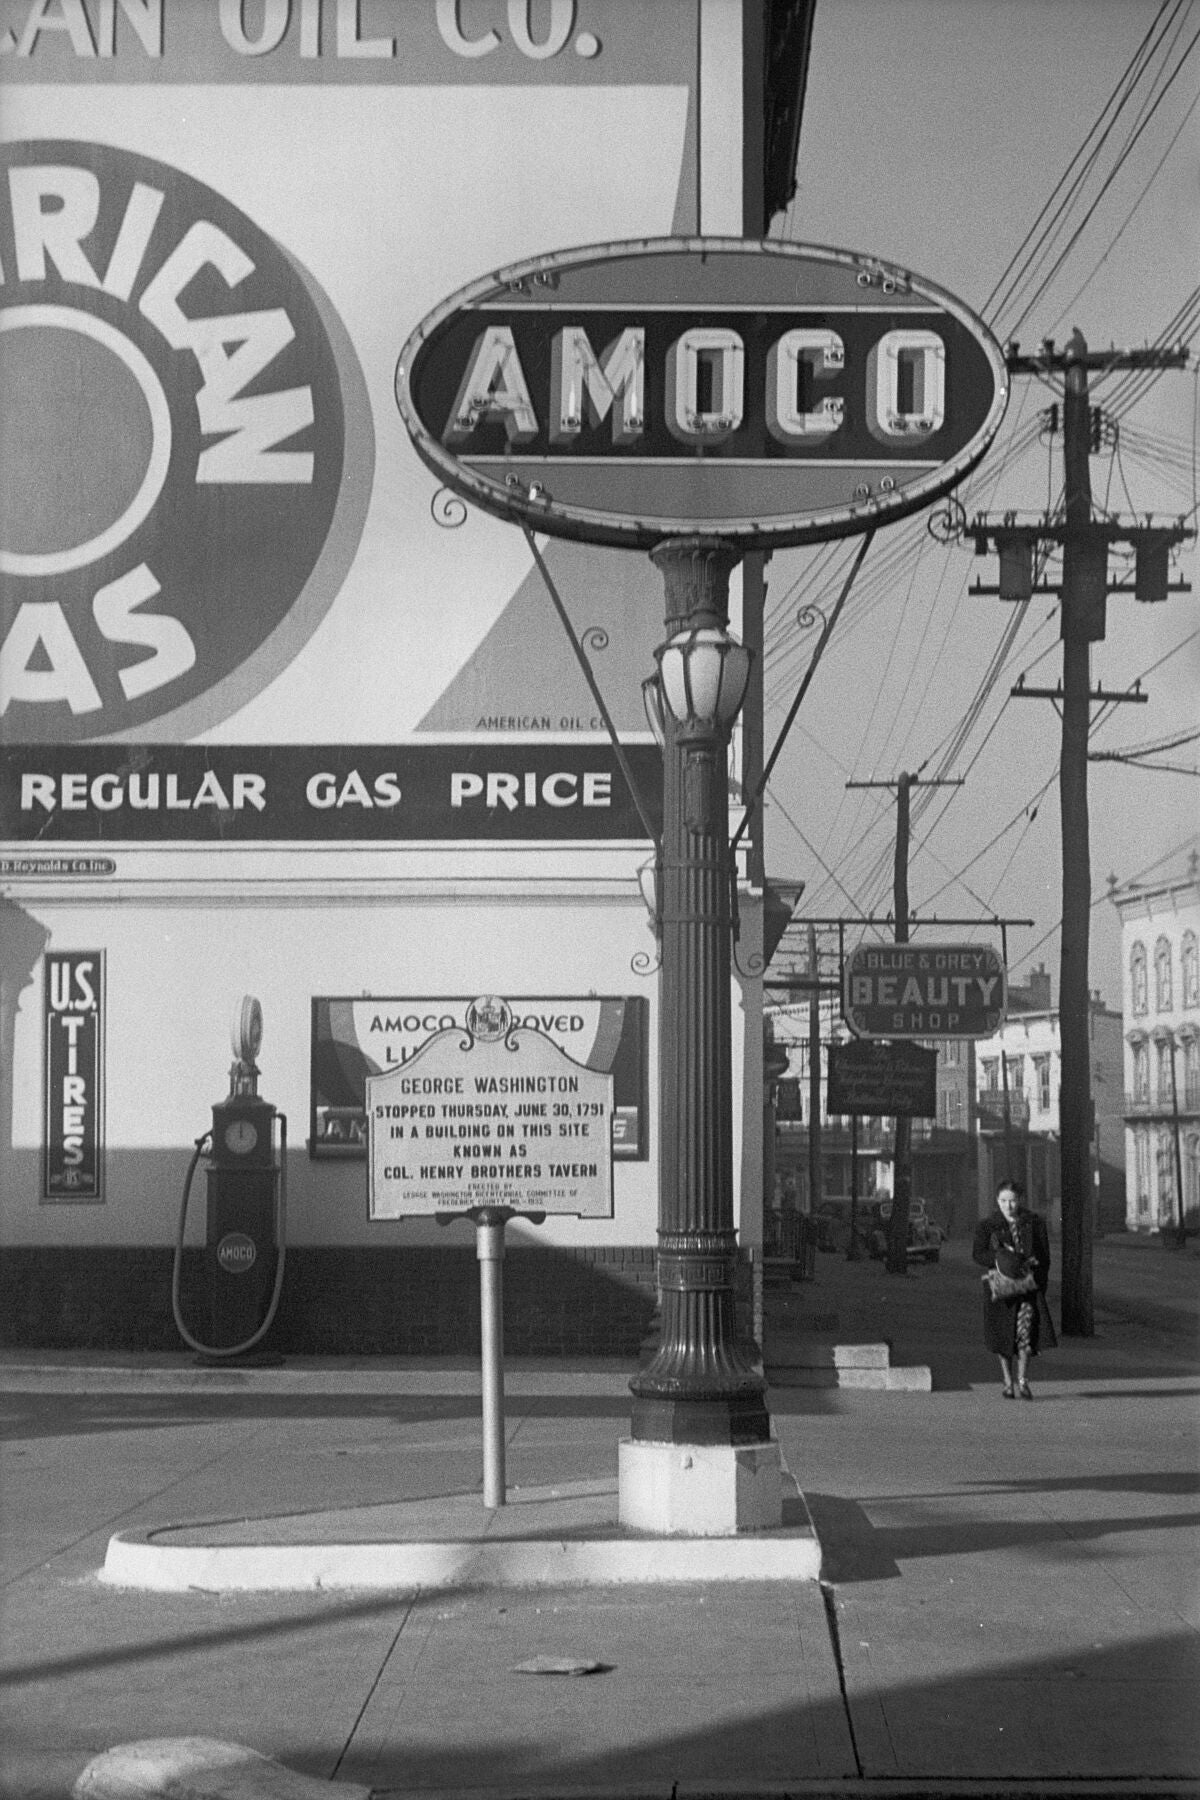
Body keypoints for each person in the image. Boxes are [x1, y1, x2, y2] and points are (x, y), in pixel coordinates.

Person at [972, 1179, 1057, 1398]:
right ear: (997, 1200)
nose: (1008, 1206)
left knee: (1025, 1335)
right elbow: (978, 1254)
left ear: (1020, 1200)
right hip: (1000, 1290)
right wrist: (1002, 1257)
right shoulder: (987, 1225)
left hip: (1028, 1288)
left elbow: (1044, 1256)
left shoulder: (1033, 1223)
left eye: (1012, 1201)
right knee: (1003, 1337)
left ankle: (1022, 1380)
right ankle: (1007, 1382)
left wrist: (1039, 1281)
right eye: (1003, 1201)